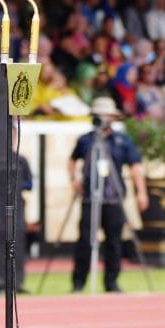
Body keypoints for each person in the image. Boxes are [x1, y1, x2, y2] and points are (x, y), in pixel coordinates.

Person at [68, 96, 149, 292]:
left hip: (113, 198)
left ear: (112, 117)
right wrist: (74, 180)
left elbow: (135, 166)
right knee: (85, 241)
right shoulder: (86, 140)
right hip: (90, 197)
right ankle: (78, 282)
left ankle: (112, 282)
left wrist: (141, 192)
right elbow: (72, 160)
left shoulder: (122, 140)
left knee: (114, 241)